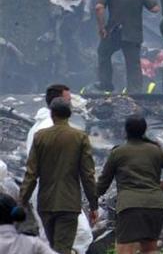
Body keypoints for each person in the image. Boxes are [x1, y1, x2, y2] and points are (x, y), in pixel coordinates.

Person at [97, 115, 163, 254]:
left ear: (126, 131)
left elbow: (103, 184)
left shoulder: (118, 152)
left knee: (125, 248)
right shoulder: (156, 150)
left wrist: (92, 201)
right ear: (144, 130)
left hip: (130, 206)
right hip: (155, 205)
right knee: (149, 249)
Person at [20, 98, 98, 254]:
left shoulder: (40, 136)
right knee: (62, 248)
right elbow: (87, 175)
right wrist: (93, 204)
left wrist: (22, 199)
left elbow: (31, 173)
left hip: (45, 203)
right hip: (69, 203)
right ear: (69, 114)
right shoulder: (79, 137)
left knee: (52, 246)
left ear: (52, 114)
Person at [95, 0, 160, 92]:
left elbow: (99, 8)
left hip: (113, 31)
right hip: (133, 33)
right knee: (133, 63)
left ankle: (105, 83)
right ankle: (135, 91)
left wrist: (101, 27)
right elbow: (154, 9)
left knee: (103, 53)